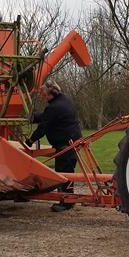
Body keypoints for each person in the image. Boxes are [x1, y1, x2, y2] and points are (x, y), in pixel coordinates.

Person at [26, 80, 82, 211]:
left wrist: (30, 141)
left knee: (63, 173)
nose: (42, 97)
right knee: (68, 171)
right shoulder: (63, 101)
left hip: (65, 144)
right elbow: (47, 116)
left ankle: (66, 202)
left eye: (43, 94)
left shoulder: (54, 107)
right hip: (73, 141)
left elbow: (43, 127)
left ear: (50, 93)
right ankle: (68, 199)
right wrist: (32, 118)